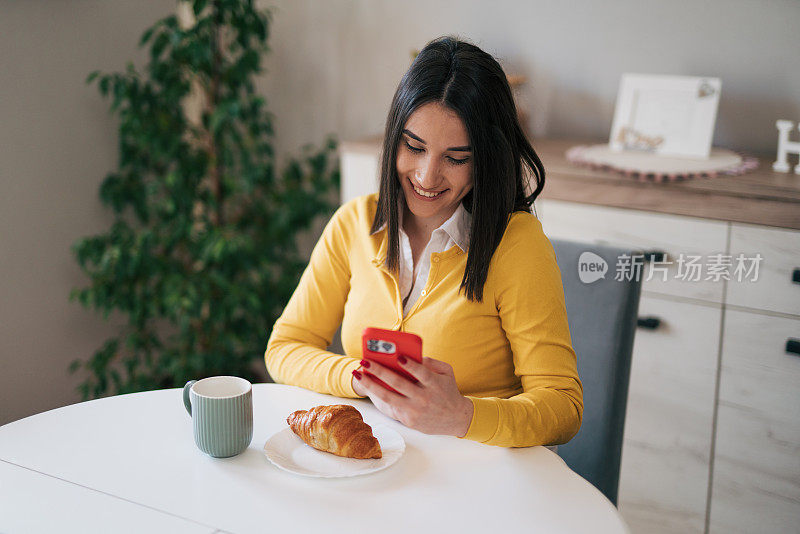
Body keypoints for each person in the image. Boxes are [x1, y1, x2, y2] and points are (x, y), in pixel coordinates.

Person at [265, 36, 582, 448]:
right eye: (414, 147)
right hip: (380, 468)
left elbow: (563, 407)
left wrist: (464, 416)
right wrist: (362, 376)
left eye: (456, 158)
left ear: (485, 159)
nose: (427, 177)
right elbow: (285, 347)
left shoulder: (516, 244)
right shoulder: (354, 223)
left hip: (481, 480)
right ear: (393, 137)